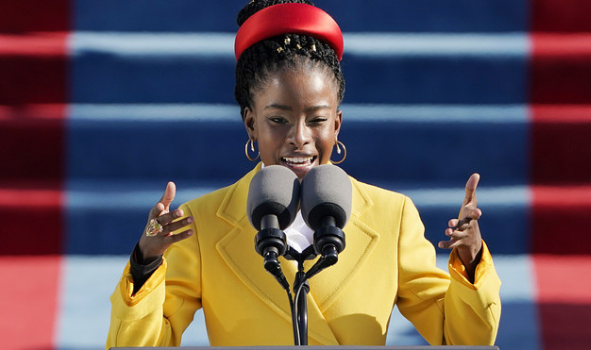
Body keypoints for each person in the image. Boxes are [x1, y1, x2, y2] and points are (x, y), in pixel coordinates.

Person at [106, 0, 501, 347]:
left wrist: (470, 261)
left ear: (337, 125)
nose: (299, 138)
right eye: (278, 119)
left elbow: (462, 338)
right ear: (250, 124)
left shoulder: (391, 216)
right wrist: (146, 264)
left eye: (317, 120)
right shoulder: (203, 223)